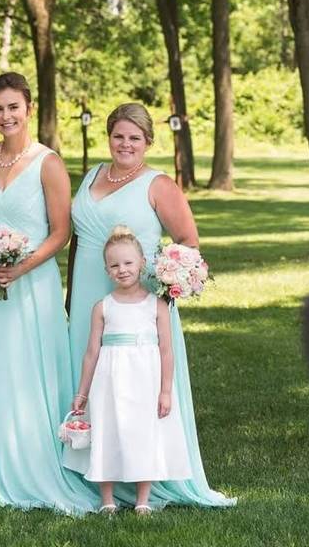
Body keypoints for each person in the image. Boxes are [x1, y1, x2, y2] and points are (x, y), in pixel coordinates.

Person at [67, 102, 234, 508]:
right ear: (109, 136)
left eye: (134, 138)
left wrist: (163, 285)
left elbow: (188, 244)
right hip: (90, 296)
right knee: (90, 380)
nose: (125, 144)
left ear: (147, 142)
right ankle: (94, 467)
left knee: (137, 391)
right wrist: (71, 293)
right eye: (118, 135)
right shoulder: (91, 174)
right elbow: (77, 239)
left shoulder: (158, 185)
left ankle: (141, 475)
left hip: (139, 306)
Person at [0, 72, 98, 513]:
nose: (5, 116)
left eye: (13, 107)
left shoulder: (49, 163)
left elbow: (61, 232)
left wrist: (20, 267)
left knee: (31, 368)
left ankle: (40, 459)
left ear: (28, 108)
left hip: (34, 281)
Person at [68, 226, 191, 514]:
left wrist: (165, 391)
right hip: (109, 381)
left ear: (142, 264)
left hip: (145, 380)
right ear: (107, 270)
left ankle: (142, 500)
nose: (122, 270)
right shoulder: (103, 307)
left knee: (144, 433)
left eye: (128, 263)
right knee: (107, 430)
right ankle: (107, 498)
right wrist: (82, 393)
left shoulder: (157, 305)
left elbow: (166, 351)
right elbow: (91, 353)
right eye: (114, 265)